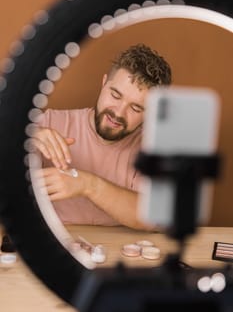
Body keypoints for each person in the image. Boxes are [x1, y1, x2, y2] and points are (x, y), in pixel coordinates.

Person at [33, 44, 172, 230]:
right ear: (104, 83)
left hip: (117, 249)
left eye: (136, 108)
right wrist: (20, 141)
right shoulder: (49, 122)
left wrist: (88, 185)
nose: (118, 113)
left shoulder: (152, 146)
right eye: (115, 95)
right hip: (54, 243)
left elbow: (155, 218)